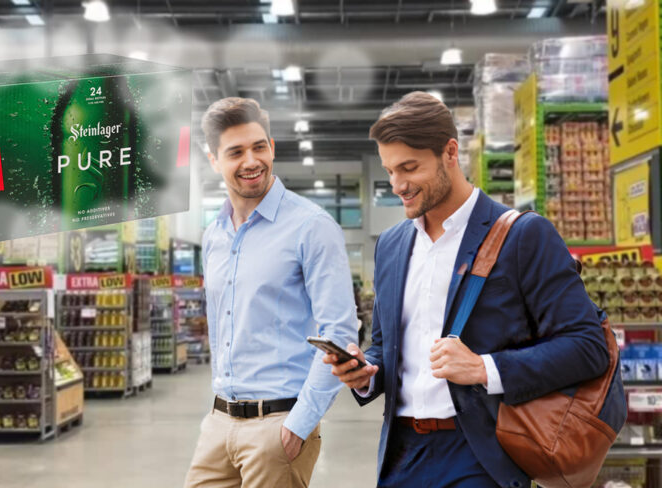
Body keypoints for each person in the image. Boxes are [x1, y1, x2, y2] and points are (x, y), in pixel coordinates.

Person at [323, 91, 609, 488]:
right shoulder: (391, 245)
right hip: (401, 455)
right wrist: (365, 372)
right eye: (390, 171)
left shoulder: (522, 236)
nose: (398, 185)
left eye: (409, 167)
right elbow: (385, 345)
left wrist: (483, 368)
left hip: (480, 454)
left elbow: (588, 347)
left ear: (450, 153)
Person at [184, 97, 358, 488]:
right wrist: (216, 416)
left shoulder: (311, 226)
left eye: (259, 147)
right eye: (235, 152)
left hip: (278, 425)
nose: (251, 161)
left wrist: (300, 424)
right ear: (214, 160)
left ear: (272, 147)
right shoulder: (213, 236)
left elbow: (340, 334)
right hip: (219, 423)